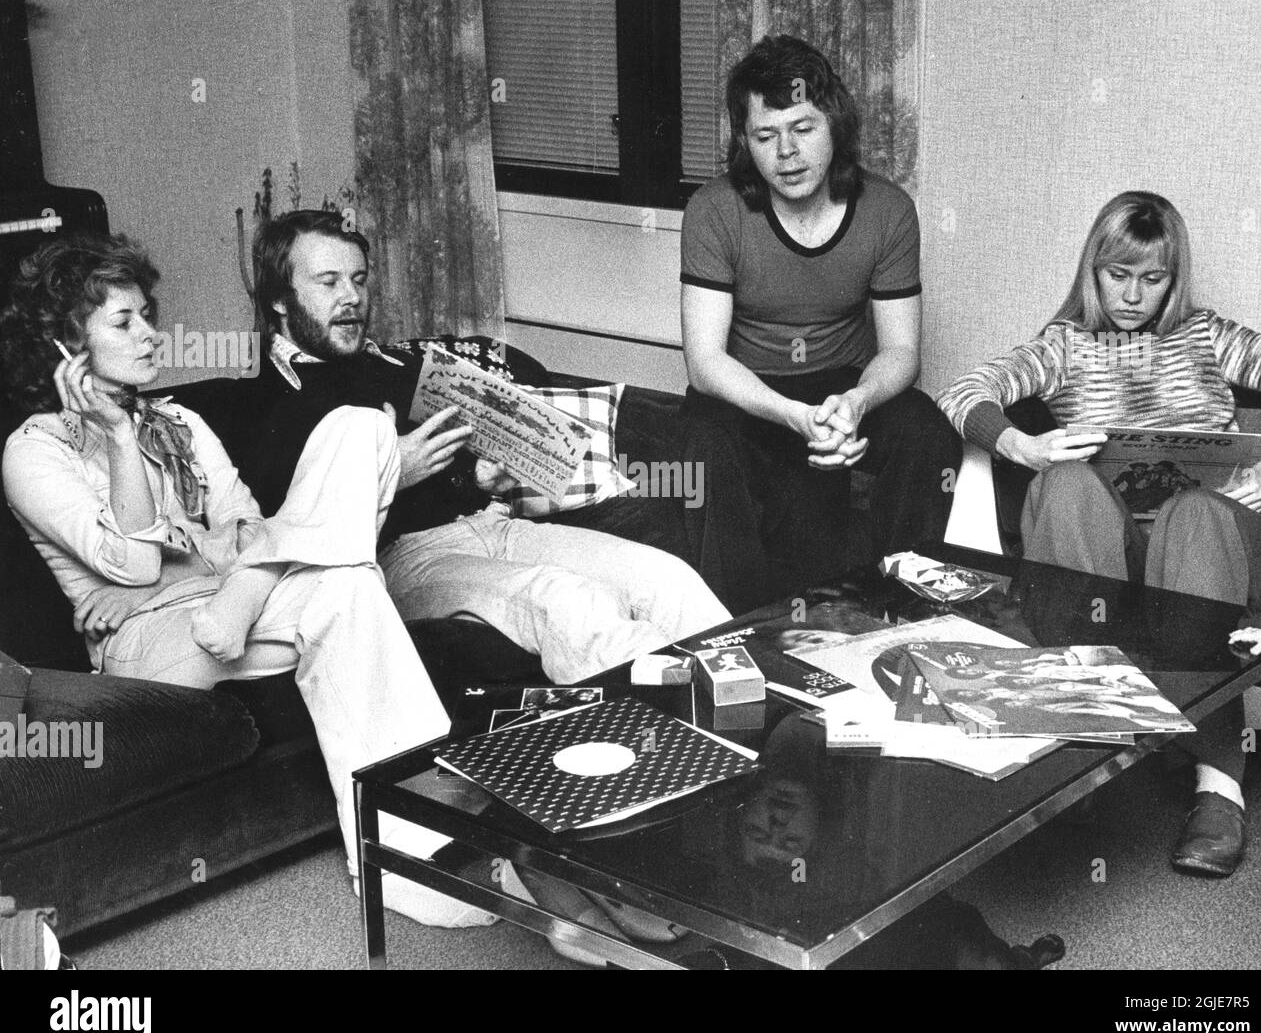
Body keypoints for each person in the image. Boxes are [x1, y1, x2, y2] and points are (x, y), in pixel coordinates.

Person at [0, 232, 493, 930]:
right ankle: (253, 591)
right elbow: (136, 567)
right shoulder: (34, 450)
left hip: (228, 608)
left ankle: (403, 865)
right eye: (124, 322)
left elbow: (251, 526)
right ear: (65, 346)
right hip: (149, 644)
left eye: (148, 315)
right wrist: (117, 442)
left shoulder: (179, 419)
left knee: (357, 457)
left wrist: (226, 561)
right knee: (331, 568)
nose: (150, 335)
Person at [937, 190, 1261, 877]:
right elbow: (964, 390)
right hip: (1113, 560)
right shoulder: (1066, 345)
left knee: (1190, 517)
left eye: (1152, 277)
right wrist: (1023, 446)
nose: (1133, 294)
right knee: (1066, 486)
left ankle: (1220, 781)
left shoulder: (1209, 336)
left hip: (1222, 543)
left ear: (1175, 277)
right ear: (1093, 271)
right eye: (1118, 274)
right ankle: (1088, 751)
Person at [244, 209, 730, 688]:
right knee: (565, 599)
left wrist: (475, 477)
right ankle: (670, 729)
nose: (352, 298)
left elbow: (448, 464)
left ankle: (760, 700)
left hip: (492, 524)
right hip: (399, 561)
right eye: (328, 283)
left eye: (359, 279)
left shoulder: (393, 364)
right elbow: (283, 531)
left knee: (664, 576)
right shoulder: (267, 403)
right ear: (281, 301)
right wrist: (392, 473)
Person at [678, 34, 961, 613]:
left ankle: (897, 607)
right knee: (703, 448)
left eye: (802, 129)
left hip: (841, 384)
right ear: (744, 142)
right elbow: (705, 364)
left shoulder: (887, 210)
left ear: (834, 123)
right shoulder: (713, 209)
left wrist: (854, 403)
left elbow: (903, 350)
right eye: (765, 135)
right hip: (745, 391)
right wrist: (792, 417)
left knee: (927, 434)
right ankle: (729, 626)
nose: (786, 152)